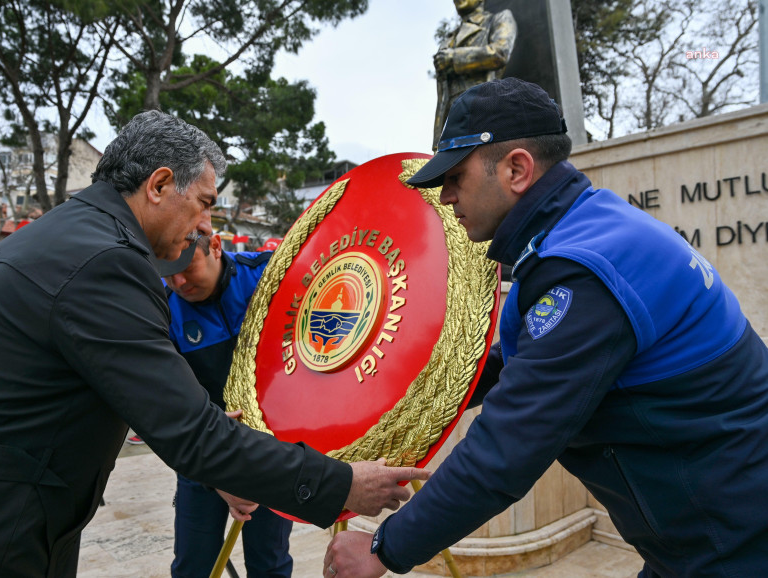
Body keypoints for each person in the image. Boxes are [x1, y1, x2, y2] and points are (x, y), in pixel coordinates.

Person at [0, 110, 427, 578]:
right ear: (158, 185)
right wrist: (339, 485)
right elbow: (189, 432)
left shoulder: (67, 234)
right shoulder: (106, 263)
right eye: (202, 203)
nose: (204, 225)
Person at [326, 78, 768, 577]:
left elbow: (507, 447)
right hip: (707, 532)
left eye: (456, 177)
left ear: (517, 168)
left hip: (736, 542)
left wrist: (384, 548)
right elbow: (520, 362)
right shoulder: (581, 234)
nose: (445, 197)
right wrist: (406, 390)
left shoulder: (583, 272)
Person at [160, 234, 292, 577]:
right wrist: (215, 468)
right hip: (203, 450)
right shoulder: (161, 306)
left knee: (270, 563)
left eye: (188, 268)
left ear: (215, 246)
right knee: (193, 562)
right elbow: (168, 402)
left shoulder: (268, 273)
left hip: (271, 451)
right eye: (168, 273)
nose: (179, 282)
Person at [432, 0, 516, 149]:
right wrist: (437, 142)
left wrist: (453, 58)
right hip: (451, 124)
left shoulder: (498, 19)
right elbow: (442, 98)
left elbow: (500, 52)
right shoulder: (448, 39)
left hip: (483, 114)